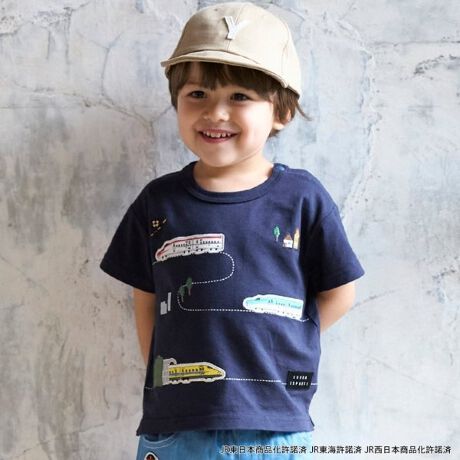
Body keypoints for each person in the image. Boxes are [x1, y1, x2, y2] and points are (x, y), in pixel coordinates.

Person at [100, 2, 365, 459]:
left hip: (272, 428)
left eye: (240, 96)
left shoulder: (302, 198)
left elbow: (340, 293)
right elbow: (146, 299)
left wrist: (280, 343)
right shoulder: (158, 202)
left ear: (281, 111)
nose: (216, 113)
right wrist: (166, 375)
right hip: (175, 428)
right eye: (198, 94)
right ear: (177, 102)